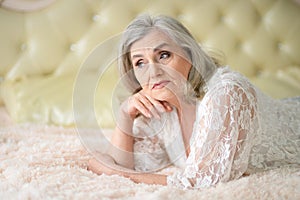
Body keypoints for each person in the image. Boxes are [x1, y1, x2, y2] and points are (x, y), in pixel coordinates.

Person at [88, 14, 300, 189]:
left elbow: (202, 183)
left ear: (189, 54)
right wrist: (125, 115)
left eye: (163, 55)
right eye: (140, 62)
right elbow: (129, 166)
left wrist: (110, 171)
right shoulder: (161, 106)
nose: (153, 72)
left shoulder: (226, 92)